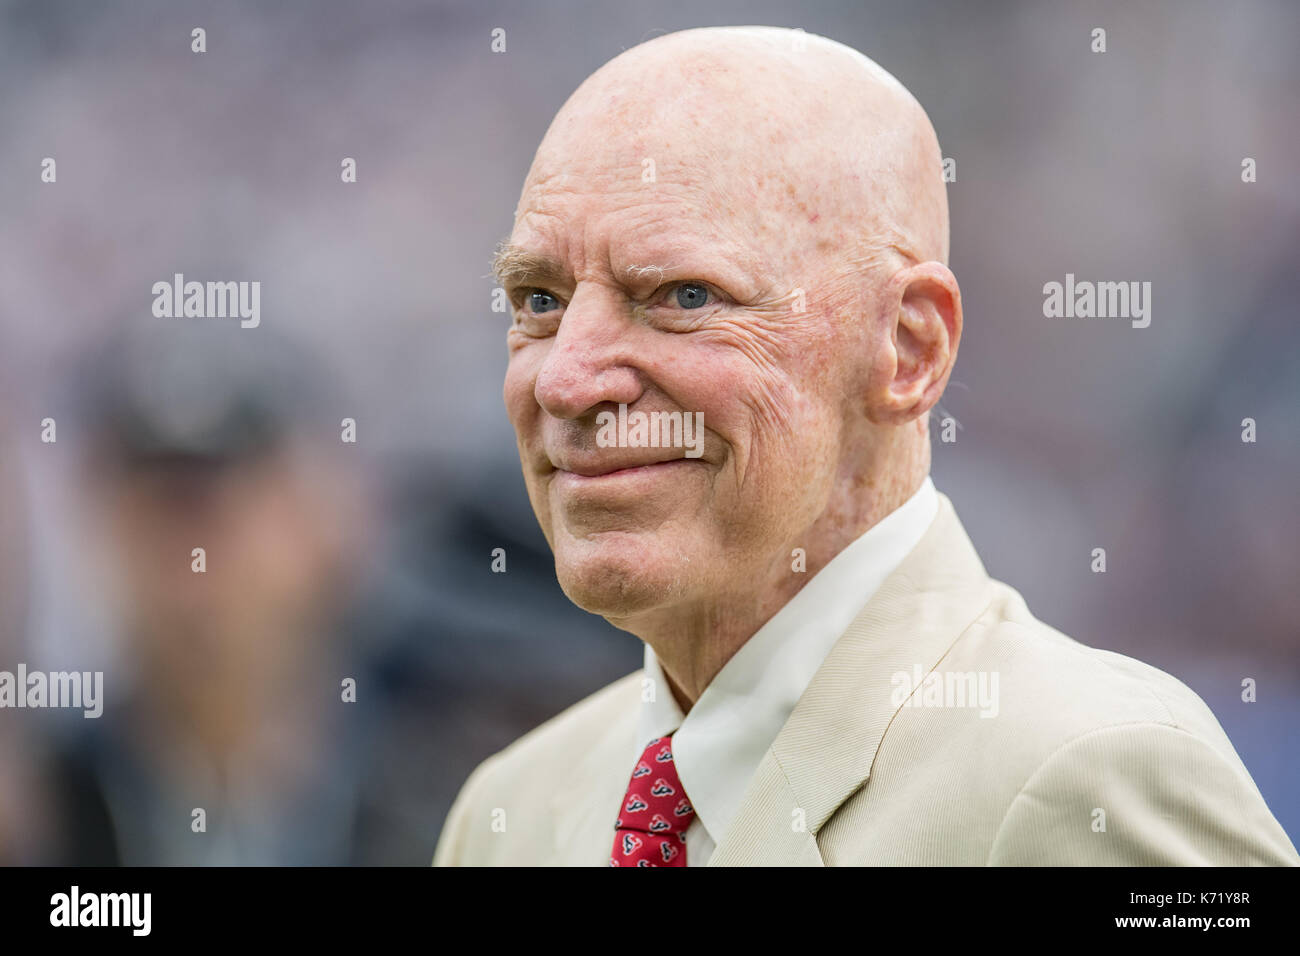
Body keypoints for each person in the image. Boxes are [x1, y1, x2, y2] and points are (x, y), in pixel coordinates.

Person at [433, 26, 1298, 866]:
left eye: (683, 295)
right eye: (539, 301)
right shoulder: (513, 811)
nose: (564, 381)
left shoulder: (1087, 779)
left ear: (910, 350)